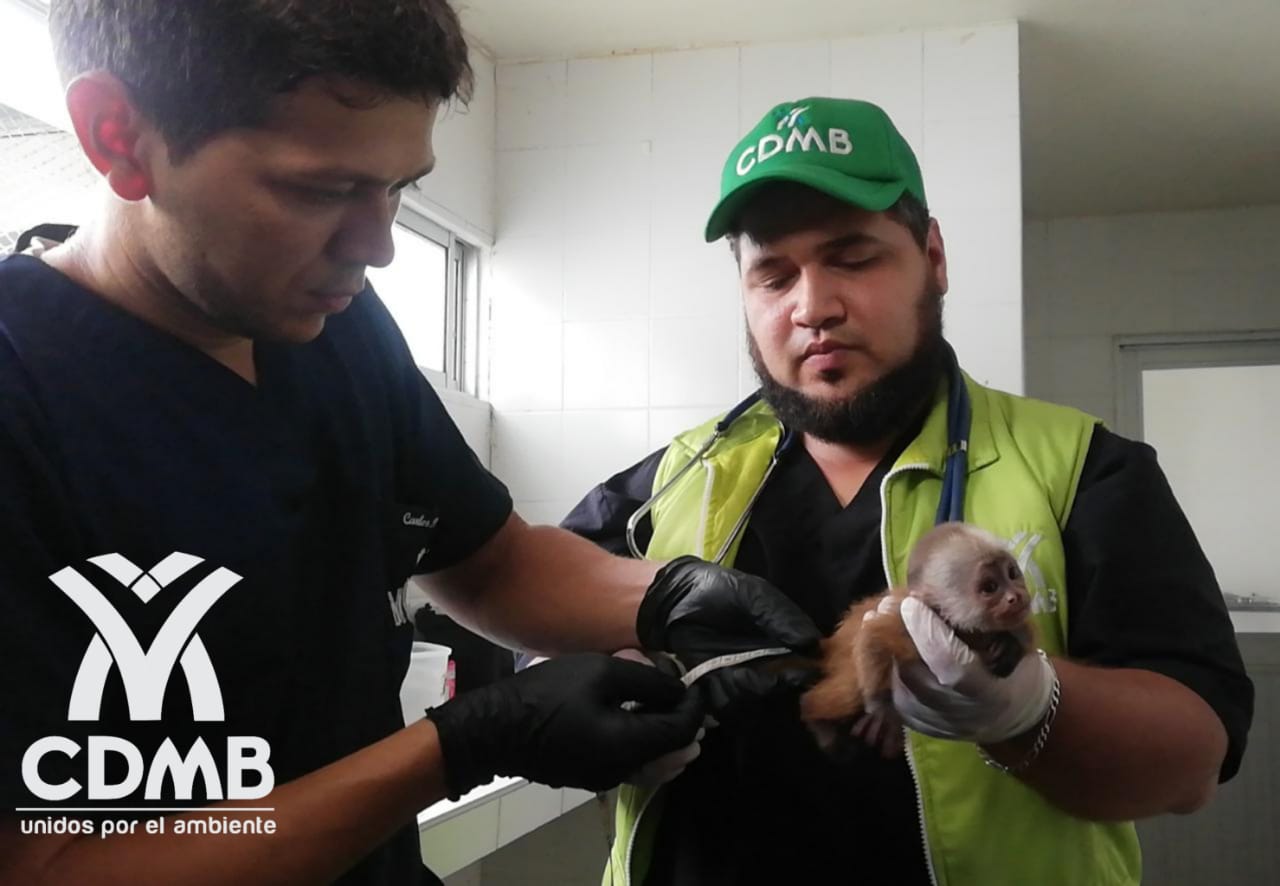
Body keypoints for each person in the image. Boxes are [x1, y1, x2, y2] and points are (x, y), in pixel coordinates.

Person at [0, 3, 821, 884]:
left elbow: (492, 563)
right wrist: (461, 745)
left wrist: (665, 599)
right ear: (117, 136)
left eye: (398, 188)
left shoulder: (334, 327)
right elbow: (51, 867)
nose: (378, 246)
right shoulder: (25, 391)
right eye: (321, 190)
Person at [563, 96, 1254, 885]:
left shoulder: (1085, 471)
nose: (812, 306)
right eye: (773, 274)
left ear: (933, 257)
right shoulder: (672, 481)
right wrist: (605, 697)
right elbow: (536, 627)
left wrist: (1025, 711)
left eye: (852, 258)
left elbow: (1193, 763)